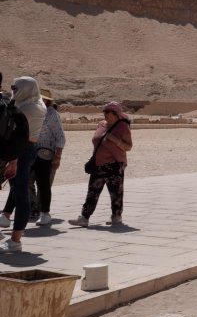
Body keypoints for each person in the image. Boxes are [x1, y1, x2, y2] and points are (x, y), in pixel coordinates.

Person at [0, 77, 47, 253]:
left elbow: (15, 131)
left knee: (21, 194)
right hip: (24, 149)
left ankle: (15, 240)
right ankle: (5, 217)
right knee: (17, 188)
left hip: (20, 150)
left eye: (16, 88)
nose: (13, 91)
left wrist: (13, 159)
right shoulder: (36, 103)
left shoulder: (27, 108)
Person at [69, 102, 132, 228]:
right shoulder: (101, 125)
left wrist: (115, 140)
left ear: (116, 114)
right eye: (104, 112)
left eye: (108, 112)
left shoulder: (123, 127)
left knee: (115, 193)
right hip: (98, 164)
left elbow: (128, 146)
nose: (106, 115)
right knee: (92, 191)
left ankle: (116, 216)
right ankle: (84, 217)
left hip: (114, 165)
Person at [31, 89, 65, 226]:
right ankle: (32, 207)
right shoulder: (31, 112)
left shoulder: (52, 114)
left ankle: (43, 211)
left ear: (47, 100)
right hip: (31, 154)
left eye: (42, 98)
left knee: (44, 184)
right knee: (26, 181)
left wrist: (58, 157)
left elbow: (61, 137)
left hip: (47, 155)